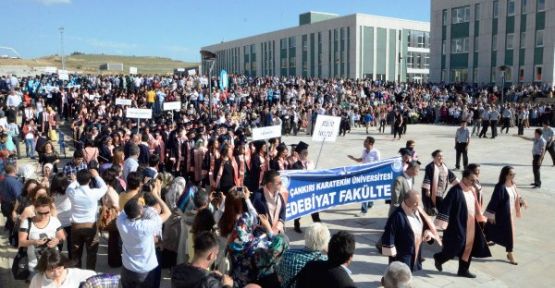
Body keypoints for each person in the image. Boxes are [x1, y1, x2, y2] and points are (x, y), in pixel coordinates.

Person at [433, 168, 491, 278]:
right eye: (471, 180)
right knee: (457, 245)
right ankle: (439, 258)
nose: (474, 183)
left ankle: (463, 270)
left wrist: (480, 218)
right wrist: (442, 223)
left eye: (475, 181)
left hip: (471, 224)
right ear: (464, 179)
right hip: (457, 225)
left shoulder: (471, 190)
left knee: (469, 246)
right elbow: (446, 206)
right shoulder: (455, 191)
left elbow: (476, 205)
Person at [116, 178, 171, 288]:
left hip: (127, 269)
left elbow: (128, 206)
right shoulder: (145, 226)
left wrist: (140, 192)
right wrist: (156, 194)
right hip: (144, 271)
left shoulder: (121, 222)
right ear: (141, 212)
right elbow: (167, 212)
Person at [382, 190, 440, 271]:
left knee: (409, 271)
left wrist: (427, 233)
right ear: (407, 201)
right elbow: (389, 234)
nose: (418, 204)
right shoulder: (397, 216)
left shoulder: (418, 210)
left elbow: (425, 224)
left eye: (418, 202)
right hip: (402, 253)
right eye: (415, 202)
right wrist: (392, 253)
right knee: (401, 273)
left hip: (414, 250)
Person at [484, 166, 527, 265]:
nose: (513, 176)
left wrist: (521, 201)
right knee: (506, 234)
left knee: (491, 231)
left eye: (514, 174)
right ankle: (510, 253)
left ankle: (480, 243)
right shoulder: (500, 187)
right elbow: (494, 202)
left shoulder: (513, 184)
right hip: (501, 215)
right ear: (506, 175)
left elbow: (516, 195)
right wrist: (491, 215)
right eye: (511, 174)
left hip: (509, 214)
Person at [66, 169, 107, 270]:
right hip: (91, 226)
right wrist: (96, 176)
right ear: (89, 180)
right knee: (92, 253)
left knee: (76, 254)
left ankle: (77, 274)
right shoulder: (94, 193)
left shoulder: (72, 192)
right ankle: (90, 274)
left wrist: (75, 180)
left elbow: (70, 187)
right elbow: (104, 187)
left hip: (76, 226)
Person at [18, 196, 66, 277]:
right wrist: (34, 242)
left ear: (50, 210)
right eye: (40, 213)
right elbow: (21, 242)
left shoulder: (54, 220)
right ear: (35, 210)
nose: (43, 216)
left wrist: (57, 240)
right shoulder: (27, 222)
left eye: (46, 213)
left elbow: (62, 237)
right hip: (35, 266)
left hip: (53, 266)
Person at [277, 223, 330, 288]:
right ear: (326, 242)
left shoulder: (287, 254)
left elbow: (279, 278)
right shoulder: (325, 261)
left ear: (306, 237)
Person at [290, 141, 320, 233]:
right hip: (301, 190)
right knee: (300, 208)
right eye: (304, 152)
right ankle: (296, 224)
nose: (306, 154)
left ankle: (318, 223)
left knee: (314, 208)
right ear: (299, 154)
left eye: (307, 152)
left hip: (311, 189)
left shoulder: (311, 163)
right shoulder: (295, 166)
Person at [29, 248, 97, 288]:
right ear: (43, 269)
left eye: (59, 268)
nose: (57, 274)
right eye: (51, 270)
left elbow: (95, 276)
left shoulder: (75, 274)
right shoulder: (38, 279)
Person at [348, 136, 380, 217]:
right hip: (364, 174)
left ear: (371, 143)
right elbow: (361, 160)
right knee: (365, 191)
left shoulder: (376, 152)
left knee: (367, 191)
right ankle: (369, 204)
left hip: (372, 174)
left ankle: (364, 210)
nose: (364, 143)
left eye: (366, 141)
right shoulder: (364, 151)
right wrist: (353, 158)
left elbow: (379, 164)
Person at [421, 150, 458, 216]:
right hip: (434, 191)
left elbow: (451, 176)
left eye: (442, 156)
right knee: (443, 207)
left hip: (441, 191)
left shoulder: (444, 166)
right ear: (434, 157)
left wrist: (460, 184)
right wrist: (427, 190)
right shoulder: (430, 167)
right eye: (439, 156)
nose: (441, 157)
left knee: (438, 209)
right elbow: (427, 178)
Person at [253, 170, 286, 235]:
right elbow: (253, 215)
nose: (281, 184)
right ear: (270, 184)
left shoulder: (279, 195)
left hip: (278, 231)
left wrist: (280, 223)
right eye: (279, 183)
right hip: (262, 235)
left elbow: (283, 210)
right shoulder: (258, 197)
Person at [0, 164, 23, 234]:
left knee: (10, 221)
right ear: (14, 170)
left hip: (5, 205)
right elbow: (18, 197)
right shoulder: (14, 182)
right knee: (15, 225)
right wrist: (15, 210)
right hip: (12, 206)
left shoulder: (2, 181)